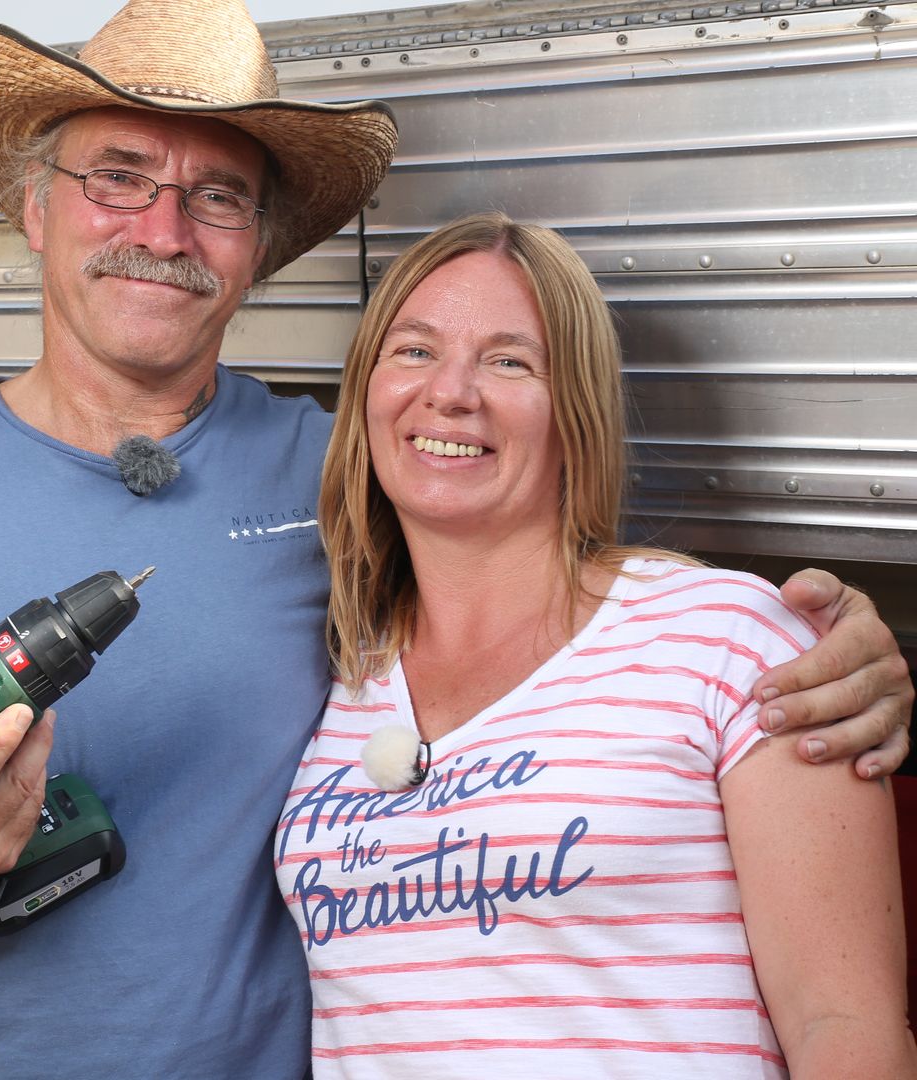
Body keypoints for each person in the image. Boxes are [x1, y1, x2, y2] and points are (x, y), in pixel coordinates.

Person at [0, 2, 915, 1077]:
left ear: (260, 248)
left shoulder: (346, 472)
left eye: (218, 196)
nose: (165, 228)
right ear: (34, 205)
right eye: (118, 176)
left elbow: (556, 581)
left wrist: (830, 649)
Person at [279, 213, 917, 1077]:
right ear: (365, 392)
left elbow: (845, 1029)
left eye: (510, 361)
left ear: (574, 409)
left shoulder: (731, 639)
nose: (452, 393)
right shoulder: (336, 675)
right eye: (415, 350)